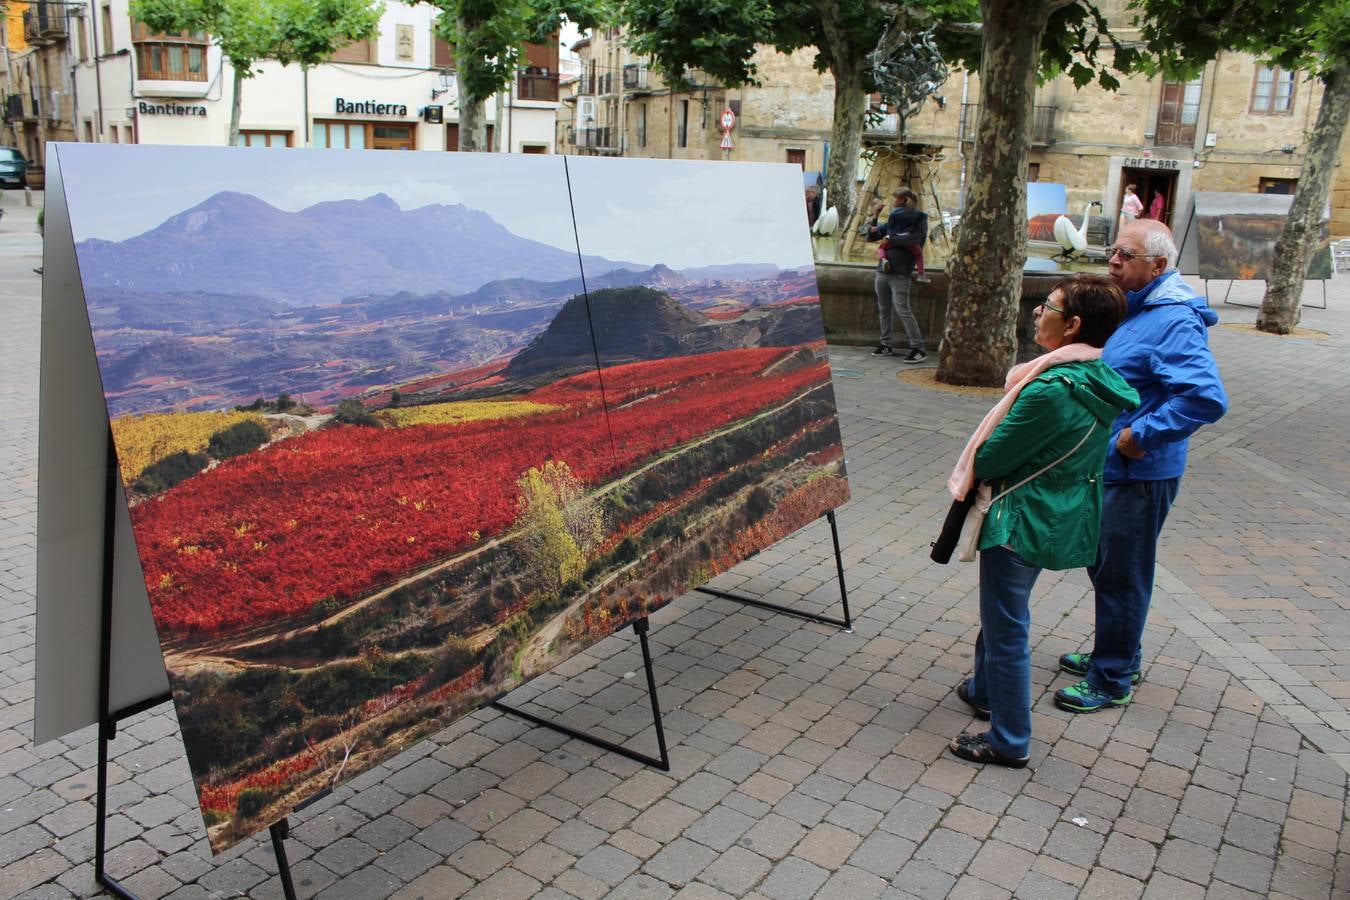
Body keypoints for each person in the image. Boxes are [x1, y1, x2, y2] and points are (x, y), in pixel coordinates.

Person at [947, 274, 1139, 767]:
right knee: (1002, 614)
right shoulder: (1096, 377)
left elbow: (992, 457)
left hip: (1019, 517)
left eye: (1047, 307)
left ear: (1072, 325)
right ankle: (984, 690)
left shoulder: (1051, 388)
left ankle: (1009, 739)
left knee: (1007, 628)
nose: (1037, 312)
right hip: (1054, 511)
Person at [1054, 220, 1228, 714]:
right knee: (1107, 567)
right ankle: (1118, 653)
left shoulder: (1172, 319)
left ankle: (1111, 678)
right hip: (1112, 468)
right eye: (1113, 250)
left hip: (1138, 475)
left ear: (1158, 265)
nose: (1113, 260)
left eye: (1126, 255)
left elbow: (1204, 398)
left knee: (1123, 576)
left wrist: (1138, 438)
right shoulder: (1136, 306)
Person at [866, 188, 928, 362]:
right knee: (884, 309)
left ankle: (918, 348)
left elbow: (913, 240)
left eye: (896, 198)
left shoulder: (919, 220)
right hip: (883, 272)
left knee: (903, 310)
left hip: (901, 273)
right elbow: (871, 236)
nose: (893, 201)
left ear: (906, 200)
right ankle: (885, 344)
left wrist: (890, 238)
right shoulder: (894, 222)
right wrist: (875, 216)